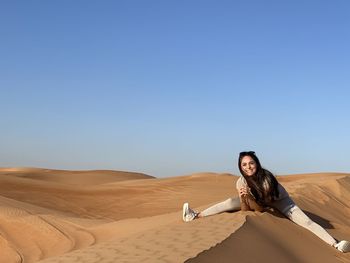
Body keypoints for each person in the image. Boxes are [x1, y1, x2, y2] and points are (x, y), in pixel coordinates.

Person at [182, 151, 350, 253]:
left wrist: (250, 198)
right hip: (255, 201)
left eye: (251, 163)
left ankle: (335, 244)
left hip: (281, 202)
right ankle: (195, 216)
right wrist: (243, 197)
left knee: (306, 221)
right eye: (244, 164)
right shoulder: (240, 182)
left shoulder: (266, 179)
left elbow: (261, 209)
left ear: (257, 164)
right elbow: (246, 209)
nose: (248, 167)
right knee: (227, 202)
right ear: (240, 167)